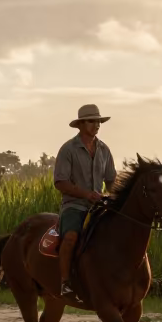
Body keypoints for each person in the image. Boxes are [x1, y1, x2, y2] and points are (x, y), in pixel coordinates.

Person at [53, 104, 117, 299]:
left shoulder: (104, 150)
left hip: (98, 205)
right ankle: (65, 283)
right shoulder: (68, 149)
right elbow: (60, 182)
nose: (96, 125)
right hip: (75, 205)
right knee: (71, 237)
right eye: (91, 121)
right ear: (80, 124)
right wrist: (85, 194)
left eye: (98, 121)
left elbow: (111, 180)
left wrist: (113, 196)